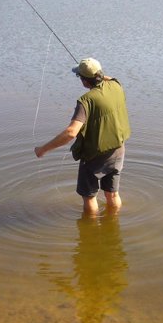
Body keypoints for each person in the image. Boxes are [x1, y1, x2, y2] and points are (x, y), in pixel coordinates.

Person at [34, 58, 131, 215]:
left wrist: (43, 149)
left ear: (85, 80)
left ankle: (91, 232)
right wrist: (98, 75)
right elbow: (110, 78)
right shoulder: (116, 86)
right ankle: (113, 225)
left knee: (89, 197)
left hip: (94, 155)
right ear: (100, 74)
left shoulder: (86, 101)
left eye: (80, 76)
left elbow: (71, 132)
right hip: (118, 150)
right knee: (112, 193)